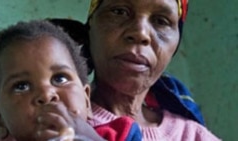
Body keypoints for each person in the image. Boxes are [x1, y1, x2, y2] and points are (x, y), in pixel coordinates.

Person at [80, 0, 221, 140]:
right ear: (91, 24)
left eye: (161, 21)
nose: (140, 33)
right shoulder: (64, 125)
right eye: (119, 12)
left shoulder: (192, 136)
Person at [0, 20, 142, 141]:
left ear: (86, 99)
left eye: (60, 78)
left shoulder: (121, 134)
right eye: (21, 86)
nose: (46, 94)